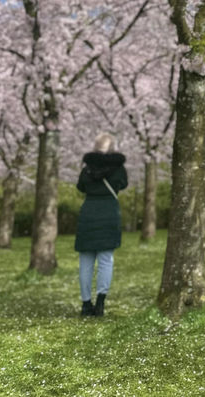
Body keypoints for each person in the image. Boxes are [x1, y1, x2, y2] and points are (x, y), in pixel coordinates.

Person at [74, 133, 128, 316]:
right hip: (109, 213)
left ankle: (85, 304)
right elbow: (124, 184)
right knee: (106, 260)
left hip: (88, 213)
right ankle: (101, 303)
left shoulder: (87, 169)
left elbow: (81, 187)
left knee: (85, 262)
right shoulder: (119, 169)